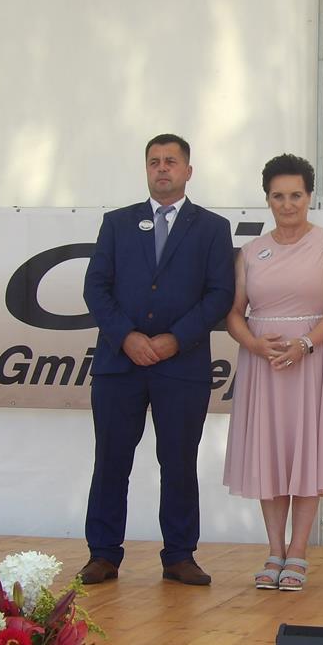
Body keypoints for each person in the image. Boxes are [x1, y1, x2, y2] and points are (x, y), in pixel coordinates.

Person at [78, 133, 234, 586]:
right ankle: (103, 554)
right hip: (119, 364)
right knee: (111, 461)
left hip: (182, 366)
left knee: (179, 462)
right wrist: (125, 336)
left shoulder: (212, 227)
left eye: (170, 161)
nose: (162, 168)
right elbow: (95, 287)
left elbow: (219, 294)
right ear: (146, 170)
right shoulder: (117, 223)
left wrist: (175, 340)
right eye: (154, 162)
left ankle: (180, 556)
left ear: (188, 170)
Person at [223, 154, 323, 591]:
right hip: (263, 367)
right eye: (278, 196)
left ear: (309, 196)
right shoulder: (250, 252)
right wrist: (254, 344)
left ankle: (298, 552)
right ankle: (274, 550)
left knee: (307, 456)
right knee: (270, 457)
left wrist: (306, 344)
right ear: (267, 199)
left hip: (311, 362)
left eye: (296, 195)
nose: (287, 204)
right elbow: (234, 312)